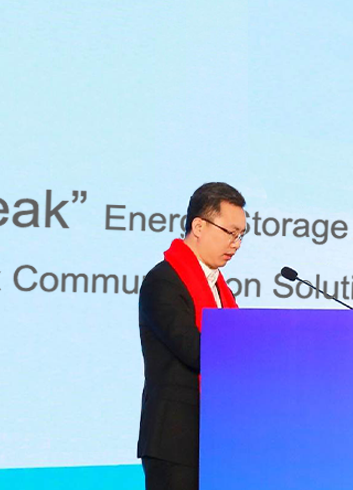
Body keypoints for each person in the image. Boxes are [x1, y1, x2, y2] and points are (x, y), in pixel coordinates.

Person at [137, 182, 246, 490]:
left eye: (241, 235)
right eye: (230, 233)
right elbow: (193, 349)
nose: (236, 244)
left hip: (216, 438)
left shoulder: (219, 289)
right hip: (176, 441)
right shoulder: (163, 282)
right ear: (199, 226)